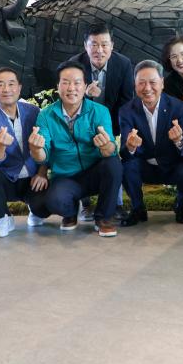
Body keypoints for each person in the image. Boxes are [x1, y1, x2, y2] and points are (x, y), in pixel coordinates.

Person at [29, 60, 122, 237]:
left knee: (113, 164)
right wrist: (36, 149)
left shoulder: (100, 111)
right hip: (66, 176)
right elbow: (43, 156)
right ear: (58, 86)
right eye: (65, 82)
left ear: (85, 86)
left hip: (94, 172)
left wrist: (106, 146)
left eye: (77, 83)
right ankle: (71, 212)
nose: (71, 88)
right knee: (54, 200)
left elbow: (111, 150)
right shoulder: (46, 115)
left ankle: (103, 217)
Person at [118, 60, 183, 226]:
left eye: (153, 82)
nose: (147, 88)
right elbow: (124, 154)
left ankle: (180, 204)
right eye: (141, 83)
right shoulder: (126, 111)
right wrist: (130, 146)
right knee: (126, 167)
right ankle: (138, 208)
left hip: (172, 165)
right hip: (145, 166)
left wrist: (179, 140)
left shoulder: (178, 107)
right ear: (135, 85)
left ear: (162, 83)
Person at [0, 67, 49, 238]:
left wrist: (42, 172)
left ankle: (35, 210)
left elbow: (47, 146)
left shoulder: (34, 112)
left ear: (19, 88)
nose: (6, 89)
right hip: (7, 179)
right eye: (0, 84)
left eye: (11, 84)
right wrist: (0, 145)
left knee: (44, 208)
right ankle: (4, 218)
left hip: (33, 179)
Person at [72, 23, 134, 220]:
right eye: (94, 44)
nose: (99, 50)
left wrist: (112, 131)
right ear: (85, 46)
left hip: (113, 122)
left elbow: (126, 102)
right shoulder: (75, 66)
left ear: (112, 46)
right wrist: (85, 96)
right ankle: (85, 204)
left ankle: (116, 205)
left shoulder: (123, 64)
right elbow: (68, 102)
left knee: (112, 156)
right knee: (80, 154)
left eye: (104, 44)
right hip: (81, 122)